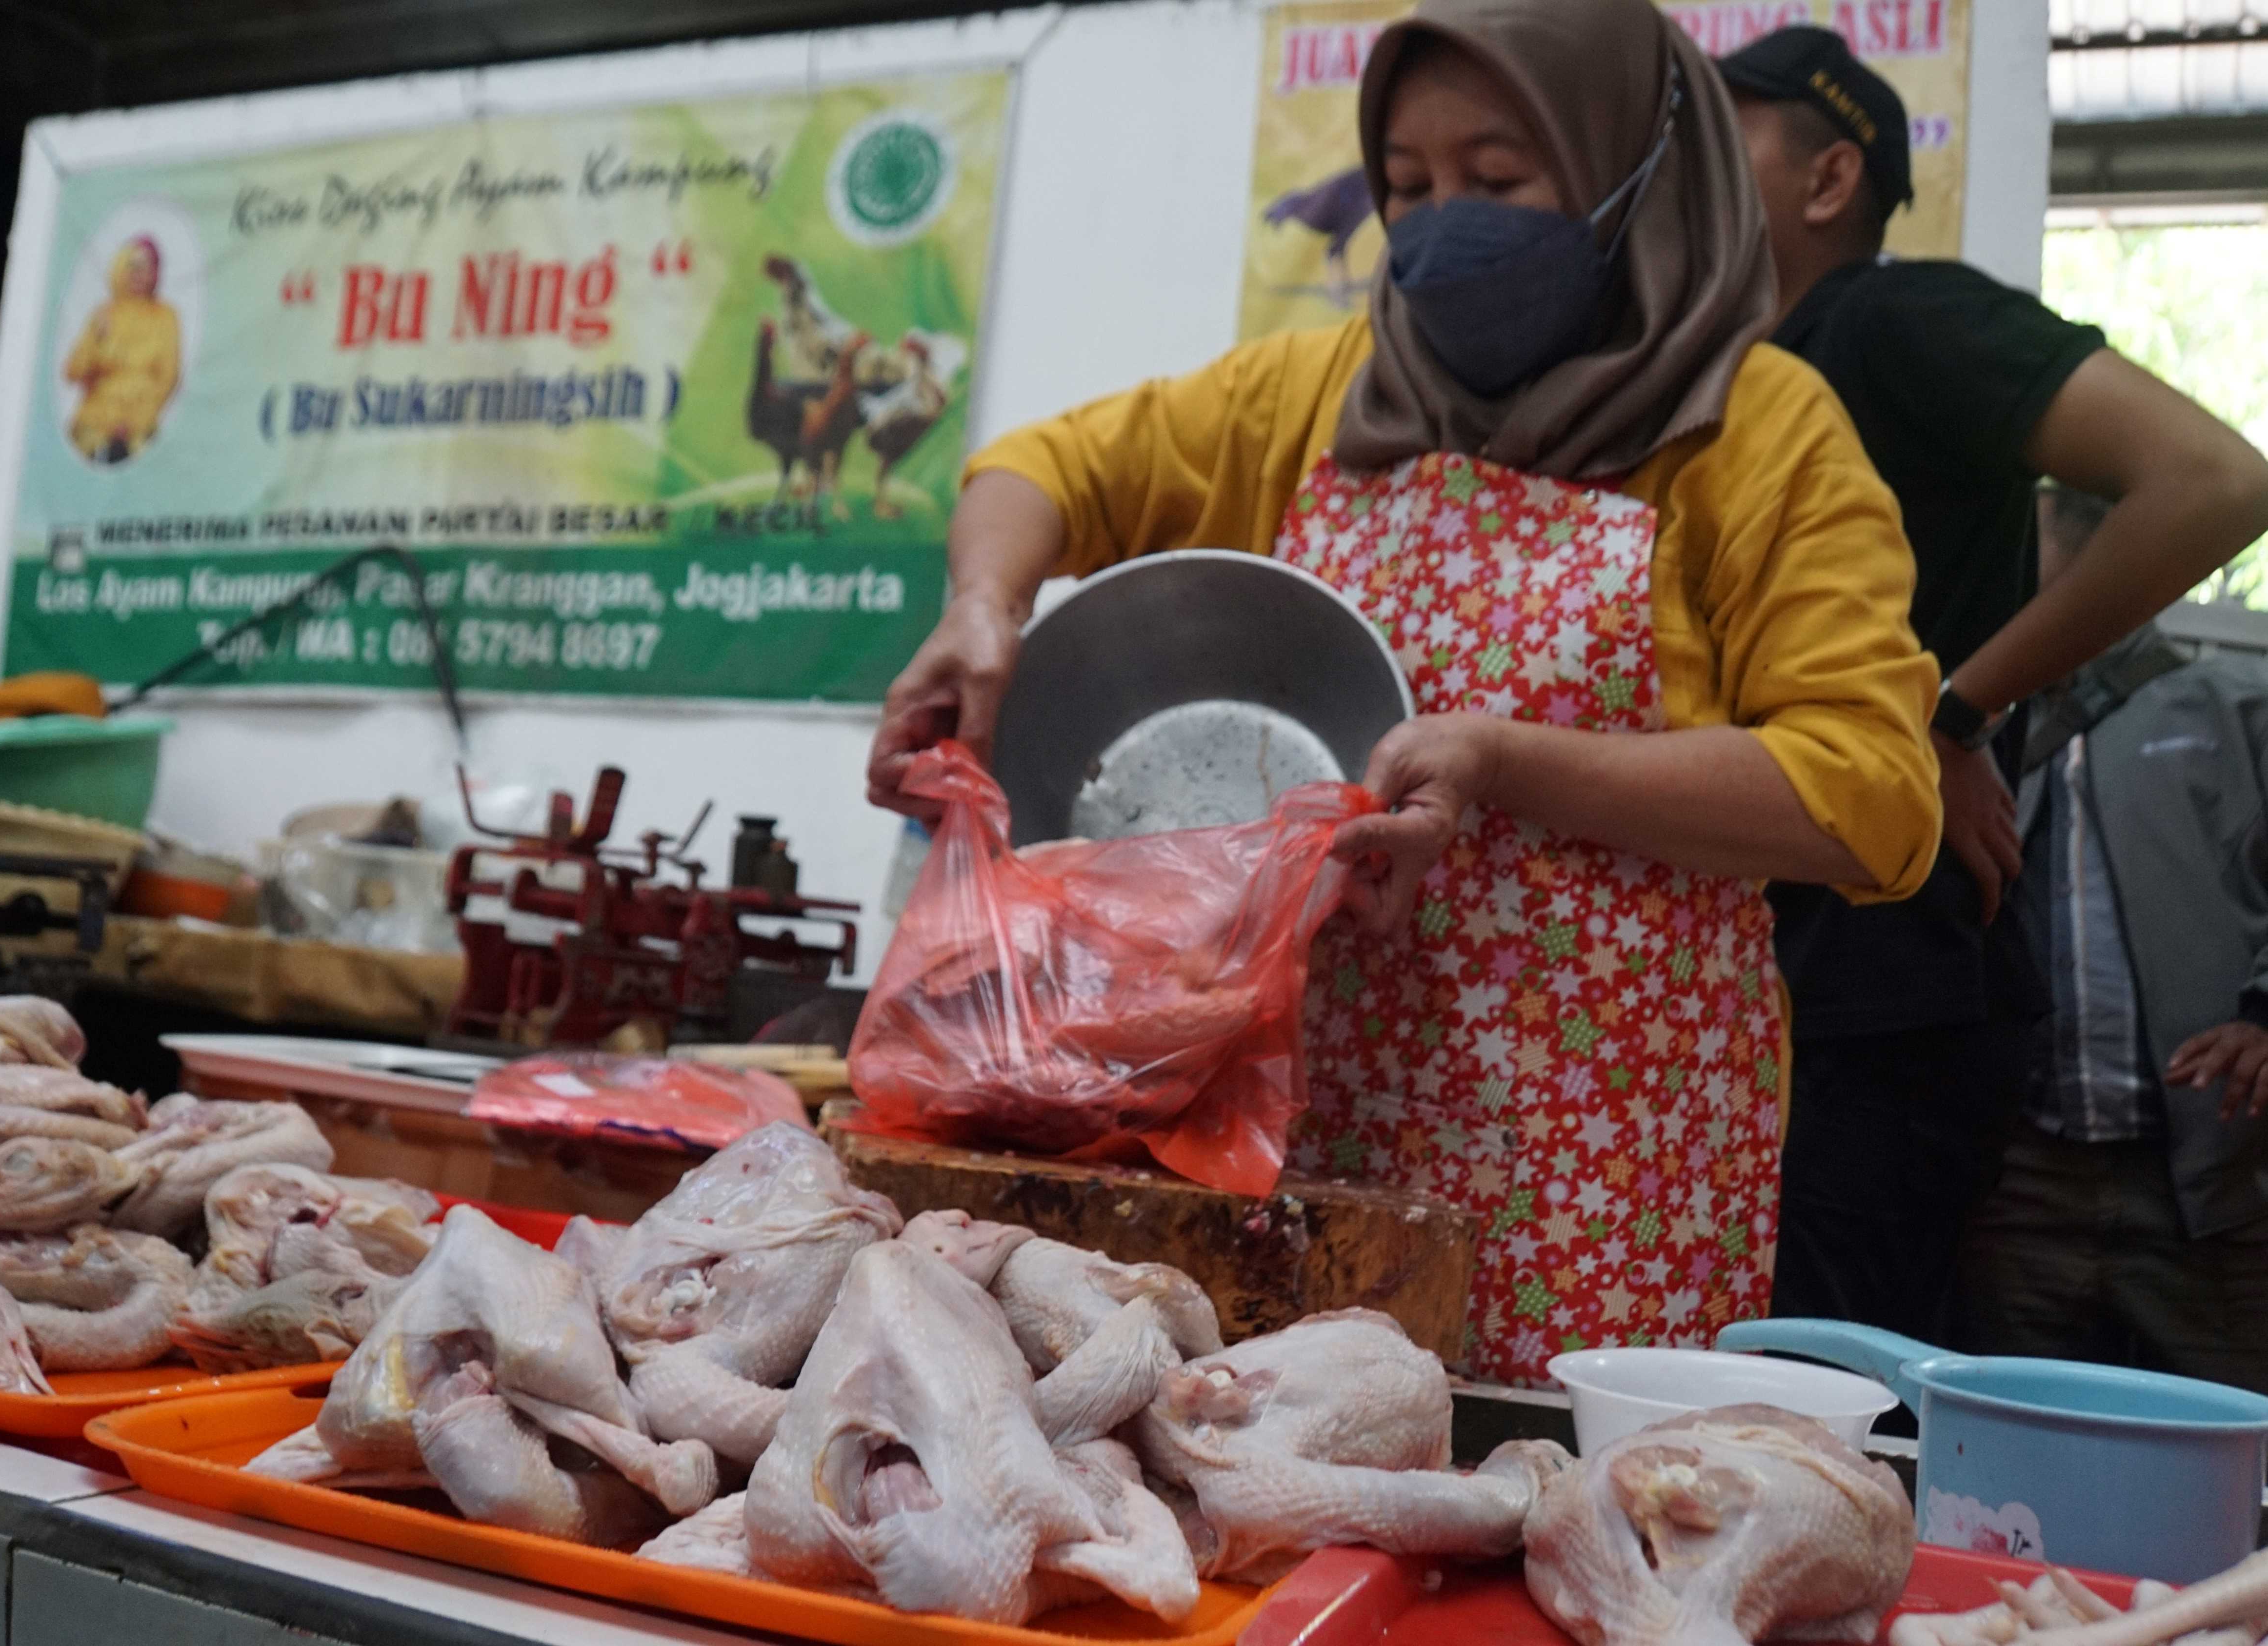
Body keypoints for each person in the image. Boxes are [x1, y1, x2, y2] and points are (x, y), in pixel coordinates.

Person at [867, 0, 1945, 1385]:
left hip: (1594, 1167)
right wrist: (980, 607)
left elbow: (1865, 795)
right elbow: (1045, 468)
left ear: (1633, 165)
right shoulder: (1323, 391)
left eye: (1498, 182)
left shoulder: (1758, 432)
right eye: (1408, 188)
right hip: (1290, 1136)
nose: (1444, 225)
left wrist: (1505, 760)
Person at [1721, 27, 2268, 1340]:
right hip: (1788, 969)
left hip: (1874, 983)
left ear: (1826, 177)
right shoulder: (1726, 382)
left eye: (1718, 132)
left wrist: (1945, 713)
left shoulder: (1890, 319)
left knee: (1817, 1391)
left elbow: (2213, 481)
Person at [1952, 487, 2268, 1392]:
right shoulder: (1972, 732)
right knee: (2013, 1464)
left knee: (2235, 1463)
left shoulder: (2231, 707)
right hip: (2024, 1186)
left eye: (2030, 561)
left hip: (2215, 1184)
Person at [62, 235, 181, 465]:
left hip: (139, 423)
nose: (140, 274)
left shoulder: (165, 316)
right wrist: (97, 339)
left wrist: (134, 422)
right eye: (134, 266)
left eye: (149, 268)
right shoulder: (104, 313)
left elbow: (168, 378)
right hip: (95, 419)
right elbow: (74, 372)